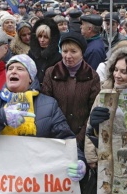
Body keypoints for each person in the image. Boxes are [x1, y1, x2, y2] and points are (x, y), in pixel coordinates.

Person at [0, 54, 86, 183]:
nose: (13, 71)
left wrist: (79, 160)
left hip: (32, 183)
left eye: (20, 69)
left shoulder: (48, 105)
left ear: (30, 78)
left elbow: (66, 138)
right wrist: (1, 116)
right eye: (10, 68)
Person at [84, 46, 127, 193]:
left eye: (124, 72)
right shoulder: (104, 94)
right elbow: (90, 126)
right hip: (103, 160)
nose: (117, 75)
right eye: (116, 70)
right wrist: (91, 157)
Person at [42, 31, 100, 194]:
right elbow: (46, 107)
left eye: (73, 51)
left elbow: (92, 111)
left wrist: (78, 139)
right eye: (65, 51)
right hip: (54, 139)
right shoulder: (51, 73)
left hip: (80, 138)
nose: (68, 55)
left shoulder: (92, 77)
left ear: (82, 52)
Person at [28, 18, 62, 85]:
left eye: (46, 37)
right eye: (40, 36)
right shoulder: (31, 53)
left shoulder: (57, 57)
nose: (42, 40)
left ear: (51, 39)